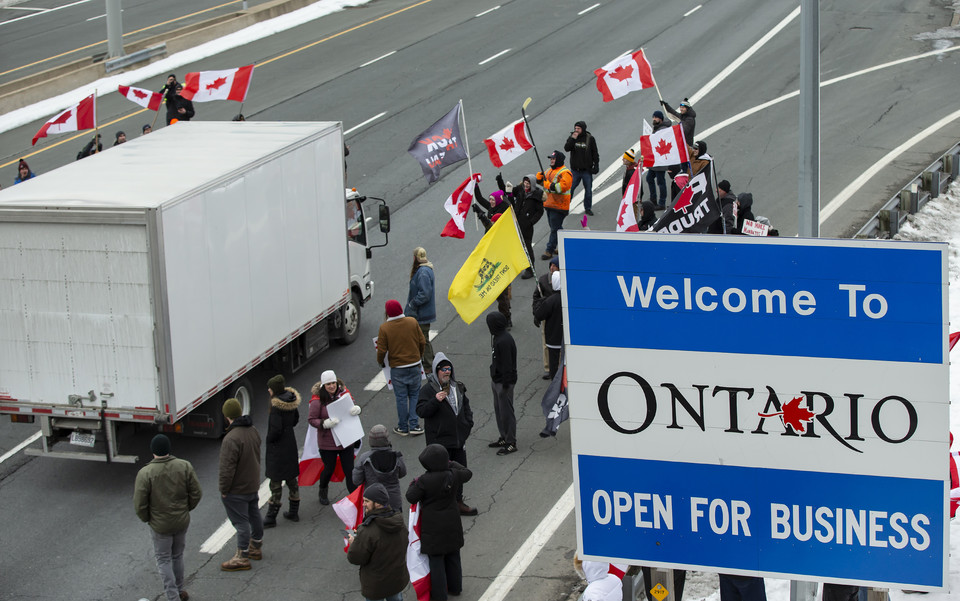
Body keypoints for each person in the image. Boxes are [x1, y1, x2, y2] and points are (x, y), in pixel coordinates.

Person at [133, 434, 202, 601]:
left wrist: (148, 519)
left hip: (160, 526)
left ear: (152, 451)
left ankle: (172, 597)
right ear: (169, 449)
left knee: (163, 560)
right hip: (181, 521)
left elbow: (139, 504)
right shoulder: (185, 466)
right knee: (177, 556)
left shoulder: (145, 473)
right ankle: (179, 590)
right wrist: (186, 509)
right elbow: (196, 493)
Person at [405, 444, 473, 601]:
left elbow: (410, 496)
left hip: (433, 527)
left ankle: (440, 595)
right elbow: (467, 472)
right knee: (453, 555)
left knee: (436, 562)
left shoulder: (424, 481)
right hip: (452, 522)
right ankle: (456, 587)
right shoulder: (454, 475)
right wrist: (449, 463)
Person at [417, 352, 477, 515]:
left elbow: (466, 407)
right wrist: (435, 400)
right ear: (436, 371)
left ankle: (458, 502)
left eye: (448, 368)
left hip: (458, 439)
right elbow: (421, 411)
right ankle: (441, 505)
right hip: (439, 443)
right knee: (439, 476)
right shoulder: (428, 390)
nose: (446, 372)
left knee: (459, 472)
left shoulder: (458, 386)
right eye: (443, 369)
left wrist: (467, 424)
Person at [218, 397, 264, 571]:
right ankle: (256, 546)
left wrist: (224, 489)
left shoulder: (231, 438)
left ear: (227, 416)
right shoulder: (252, 430)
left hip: (237, 489)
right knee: (254, 515)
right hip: (252, 483)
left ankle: (242, 556)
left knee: (241, 522)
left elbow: (226, 468)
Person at [346, 483, 409, 601]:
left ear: (378, 503)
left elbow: (355, 558)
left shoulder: (367, 530)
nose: (363, 504)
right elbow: (404, 543)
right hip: (397, 579)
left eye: (367, 501)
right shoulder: (399, 522)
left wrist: (354, 542)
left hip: (376, 585)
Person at [307, 370, 362, 505]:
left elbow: (351, 408)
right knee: (329, 469)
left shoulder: (344, 394)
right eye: (328, 384)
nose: (331, 386)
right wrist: (324, 423)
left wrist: (357, 409)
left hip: (345, 440)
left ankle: (355, 497)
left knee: (350, 470)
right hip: (327, 443)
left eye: (333, 383)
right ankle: (323, 488)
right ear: (323, 386)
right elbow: (311, 419)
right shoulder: (317, 400)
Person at [377, 299, 426, 436]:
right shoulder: (412, 322)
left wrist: (381, 362)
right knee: (415, 395)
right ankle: (415, 425)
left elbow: (381, 350)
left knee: (401, 398)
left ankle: (403, 427)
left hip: (398, 368)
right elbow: (422, 341)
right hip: (414, 365)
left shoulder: (385, 328)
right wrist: (418, 356)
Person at [263, 374, 301, 528]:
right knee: (292, 479)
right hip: (290, 444)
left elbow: (275, 430)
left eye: (270, 388)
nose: (268, 390)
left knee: (276, 482)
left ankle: (271, 517)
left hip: (278, 449)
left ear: (274, 390)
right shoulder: (291, 401)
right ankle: (294, 512)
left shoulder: (276, 407)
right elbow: (295, 420)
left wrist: (269, 440)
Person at [472, 192, 513, 327]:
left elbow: (489, 226)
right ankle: (507, 315)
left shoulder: (500, 233)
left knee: (501, 296)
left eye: (495, 222)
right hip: (500, 266)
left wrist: (481, 215)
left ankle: (506, 318)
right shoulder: (503, 231)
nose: (493, 224)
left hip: (500, 267)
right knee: (503, 296)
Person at [353, 424, 407, 513]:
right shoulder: (396, 456)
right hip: (393, 501)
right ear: (387, 439)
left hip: (372, 502)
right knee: (395, 524)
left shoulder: (364, 458)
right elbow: (402, 473)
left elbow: (356, 480)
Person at [499, 173, 543, 279]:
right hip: (516, 222)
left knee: (527, 247)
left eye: (528, 183)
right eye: (525, 183)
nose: (526, 185)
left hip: (526, 226)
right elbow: (509, 191)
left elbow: (540, 212)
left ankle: (530, 270)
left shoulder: (537, 196)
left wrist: (531, 222)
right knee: (516, 246)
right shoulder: (520, 190)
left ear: (532, 184)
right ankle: (518, 265)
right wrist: (500, 181)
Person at [486, 312, 518, 456]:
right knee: (499, 410)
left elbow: (507, 364)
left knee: (506, 413)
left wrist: (505, 383)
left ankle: (511, 442)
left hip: (504, 383)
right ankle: (504, 436)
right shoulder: (498, 337)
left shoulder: (503, 341)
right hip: (497, 380)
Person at [537, 150, 573, 260]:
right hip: (549, 204)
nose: (551, 160)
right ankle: (565, 245)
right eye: (551, 159)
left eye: (553, 159)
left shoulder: (565, 173)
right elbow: (543, 183)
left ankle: (549, 250)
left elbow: (560, 188)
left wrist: (547, 184)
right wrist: (539, 178)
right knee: (556, 228)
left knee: (554, 228)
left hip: (559, 206)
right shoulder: (549, 171)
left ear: (559, 160)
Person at [406, 247, 437, 370]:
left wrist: (412, 304)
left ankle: (429, 363)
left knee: (423, 339)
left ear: (415, 258)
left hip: (421, 314)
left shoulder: (423, 272)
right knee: (422, 338)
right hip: (423, 313)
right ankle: (428, 359)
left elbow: (425, 294)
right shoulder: (426, 269)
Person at [564, 121, 600, 215]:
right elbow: (566, 148)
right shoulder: (572, 138)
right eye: (575, 128)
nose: (576, 130)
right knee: (570, 190)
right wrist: (572, 139)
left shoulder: (590, 139)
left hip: (586, 171)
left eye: (578, 129)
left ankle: (587, 208)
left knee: (588, 190)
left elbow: (595, 153)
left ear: (583, 129)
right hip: (575, 170)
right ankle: (565, 208)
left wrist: (596, 165)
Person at [533, 257, 560, 379]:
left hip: (558, 317)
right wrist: (537, 312)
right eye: (551, 265)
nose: (552, 268)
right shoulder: (543, 280)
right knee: (547, 344)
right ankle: (549, 368)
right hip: (548, 316)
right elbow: (536, 297)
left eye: (555, 266)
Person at [646, 111, 671, 207]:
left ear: (660, 119)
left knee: (660, 181)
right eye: (653, 117)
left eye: (656, 117)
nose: (654, 119)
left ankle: (661, 202)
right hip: (655, 160)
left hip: (660, 160)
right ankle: (653, 198)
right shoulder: (657, 127)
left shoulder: (663, 129)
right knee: (649, 178)